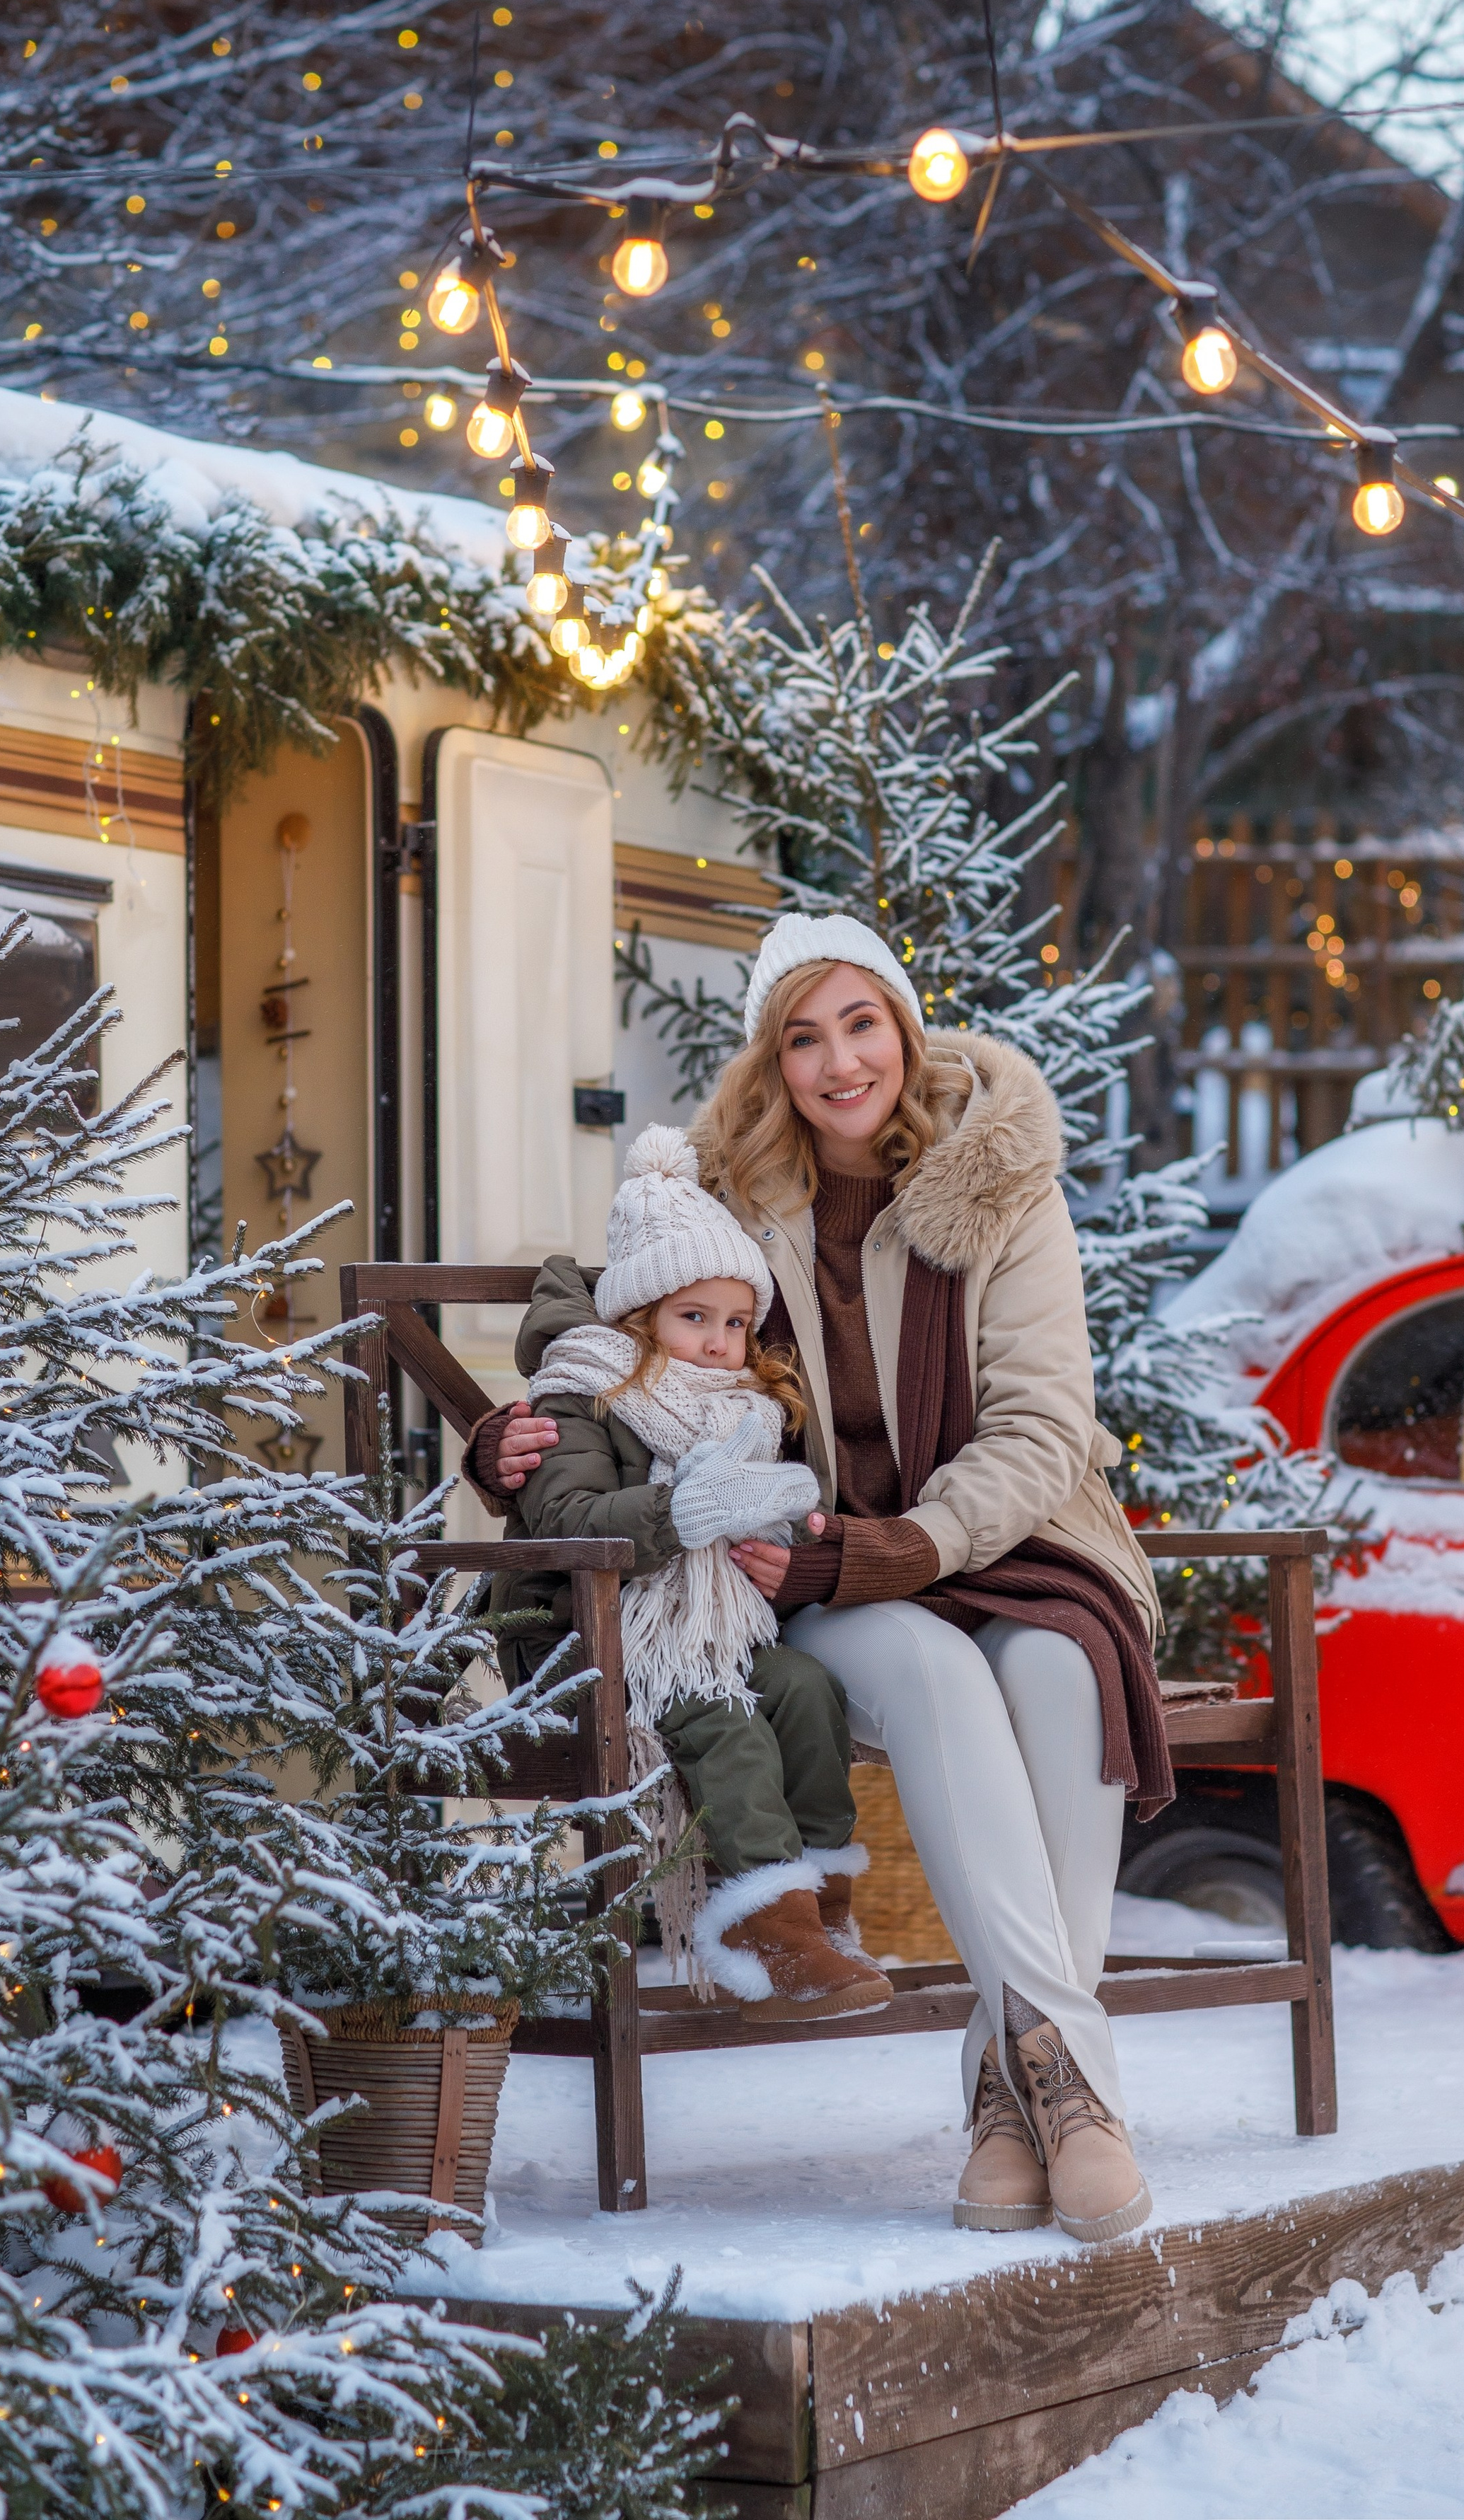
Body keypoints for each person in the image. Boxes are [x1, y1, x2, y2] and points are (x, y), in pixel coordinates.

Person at [471, 913, 1171, 2246]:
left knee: (1064, 1670)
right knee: (934, 1670)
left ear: (904, 1030)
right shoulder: (740, 1184)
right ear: (775, 1061)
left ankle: (1016, 2098)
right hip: (819, 1578)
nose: (839, 1061)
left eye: (861, 1024)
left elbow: (1039, 1428)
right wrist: (520, 1427)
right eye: (803, 1037)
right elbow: (585, 1288)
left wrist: (900, 1545)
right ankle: (1074, 2092)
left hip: (1014, 1545)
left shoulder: (1004, 1183)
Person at [492, 1119, 895, 2023]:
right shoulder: (586, 1390)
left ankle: (820, 1910)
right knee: (725, 1716)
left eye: (737, 1323)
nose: (720, 1343)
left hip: (714, 1629)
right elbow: (562, 1520)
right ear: (639, 1316)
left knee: (802, 1689)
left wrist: (800, 1519)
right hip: (590, 1641)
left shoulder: (742, 1405)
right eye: (694, 1319)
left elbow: (775, 1508)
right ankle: (765, 1928)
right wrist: (680, 1513)